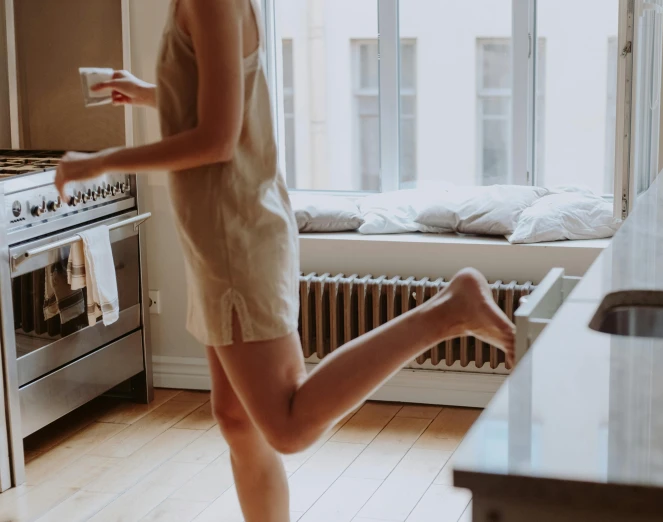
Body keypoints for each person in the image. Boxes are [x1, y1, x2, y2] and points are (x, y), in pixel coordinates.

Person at [54, 0, 515, 520]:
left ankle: (448, 311)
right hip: (218, 235)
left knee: (287, 427)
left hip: (236, 237)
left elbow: (217, 139)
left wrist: (102, 162)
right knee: (236, 419)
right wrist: (147, 93)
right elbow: (217, 98)